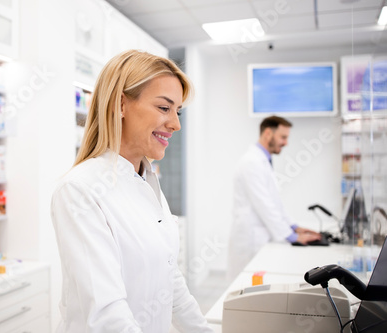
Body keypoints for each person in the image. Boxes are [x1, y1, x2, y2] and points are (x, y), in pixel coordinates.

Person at [50, 50, 213, 333]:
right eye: (164, 108)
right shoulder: (80, 190)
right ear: (121, 104)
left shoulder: (147, 181)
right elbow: (107, 314)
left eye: (178, 111)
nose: (176, 124)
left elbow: (170, 282)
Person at [227, 116, 322, 280]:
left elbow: (274, 202)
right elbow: (265, 205)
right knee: (245, 289)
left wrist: (294, 227)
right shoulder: (251, 162)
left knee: (256, 288)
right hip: (250, 241)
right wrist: (293, 237)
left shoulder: (262, 161)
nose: (286, 143)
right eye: (283, 137)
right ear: (268, 133)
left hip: (259, 237)